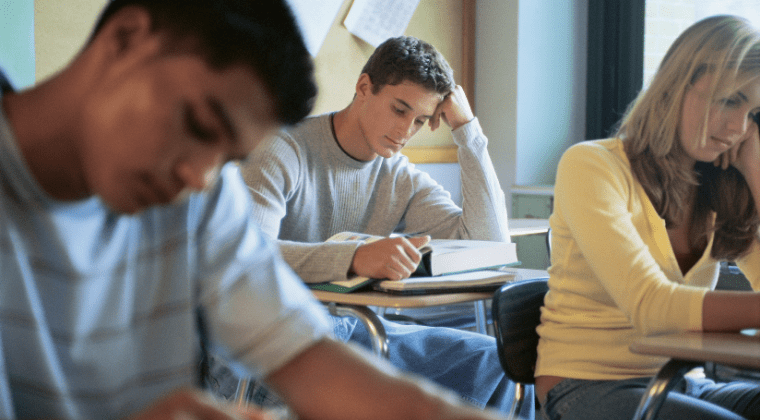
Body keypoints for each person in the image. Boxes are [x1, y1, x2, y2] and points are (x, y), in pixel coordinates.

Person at [0, 1, 511, 419]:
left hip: (339, 326)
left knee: (487, 361)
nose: (200, 178)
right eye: (199, 124)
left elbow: (306, 358)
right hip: (300, 336)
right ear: (127, 38)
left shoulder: (202, 197)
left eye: (228, 158)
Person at [240, 35, 528, 416]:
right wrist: (355, 257)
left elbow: (488, 242)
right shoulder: (282, 148)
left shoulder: (398, 174)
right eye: (399, 109)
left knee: (498, 363)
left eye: (422, 120)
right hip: (270, 339)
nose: (407, 130)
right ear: (364, 88)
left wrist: (467, 131)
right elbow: (247, 257)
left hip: (356, 331)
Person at [534, 15, 760, 420]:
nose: (739, 128)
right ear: (676, 85)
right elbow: (652, 308)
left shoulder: (718, 183)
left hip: (682, 383)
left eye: (755, 114)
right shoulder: (591, 165)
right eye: (729, 100)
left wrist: (756, 176)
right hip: (584, 387)